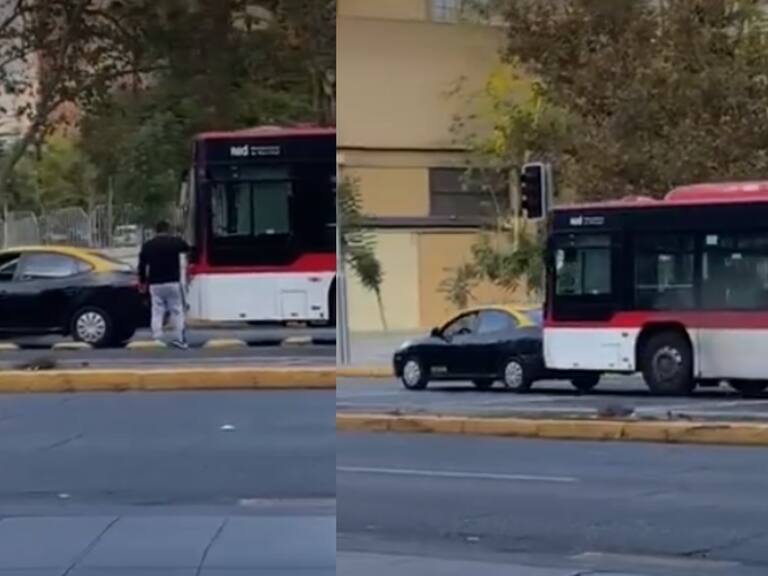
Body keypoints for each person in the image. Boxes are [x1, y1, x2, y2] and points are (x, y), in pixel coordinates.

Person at [138, 220, 190, 349]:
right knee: (177, 310)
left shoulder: (148, 245)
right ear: (168, 230)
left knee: (157, 310)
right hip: (173, 282)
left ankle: (157, 337)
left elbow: (142, 266)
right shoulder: (175, 242)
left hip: (155, 283)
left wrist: (143, 281)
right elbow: (187, 248)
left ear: (156, 231)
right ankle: (179, 338)